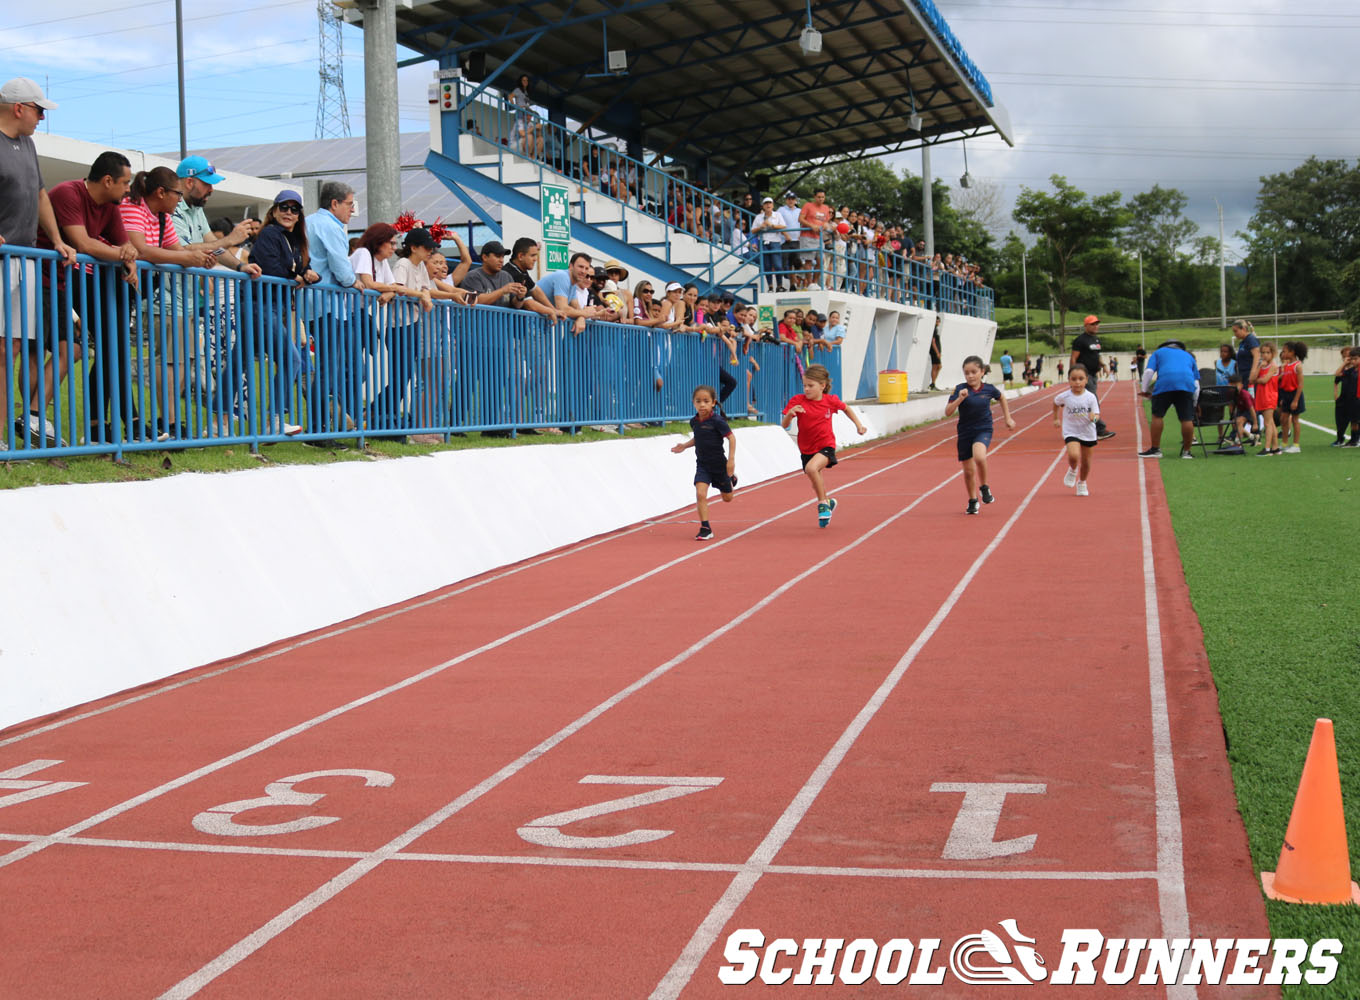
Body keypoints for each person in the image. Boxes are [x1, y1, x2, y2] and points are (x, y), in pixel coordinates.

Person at [37, 151, 141, 446]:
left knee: (100, 347)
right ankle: (33, 420)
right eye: (124, 183)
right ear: (107, 181)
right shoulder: (68, 193)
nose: (127, 190)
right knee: (30, 352)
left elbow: (124, 243)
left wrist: (129, 259)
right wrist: (125, 255)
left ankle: (108, 427)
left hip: (67, 279)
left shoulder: (110, 204)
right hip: (42, 279)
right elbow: (83, 243)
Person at [0, 77, 77, 451]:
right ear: (19, 108)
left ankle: (4, 441)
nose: (42, 118)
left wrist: (59, 240)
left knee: (11, 349)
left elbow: (40, 194)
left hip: (26, 259)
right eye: (39, 110)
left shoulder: (27, 145)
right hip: (3, 260)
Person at [119, 166, 217, 438]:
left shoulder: (161, 216)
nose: (180, 198)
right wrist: (191, 259)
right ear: (162, 192)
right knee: (166, 361)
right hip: (148, 296)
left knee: (181, 362)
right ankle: (163, 422)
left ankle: (164, 422)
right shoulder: (134, 207)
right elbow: (144, 250)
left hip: (162, 296)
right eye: (177, 193)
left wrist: (198, 258)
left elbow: (176, 249)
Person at [250, 189, 317, 436]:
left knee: (239, 362)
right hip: (262, 304)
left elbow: (301, 266)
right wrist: (295, 276)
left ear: (300, 215)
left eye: (294, 209)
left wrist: (310, 274)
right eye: (284, 208)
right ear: (274, 210)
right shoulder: (269, 233)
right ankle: (272, 421)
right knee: (292, 359)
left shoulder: (294, 240)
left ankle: (218, 419)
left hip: (276, 307)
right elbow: (271, 268)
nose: (289, 213)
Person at [782, 363, 866, 527]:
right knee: (815, 481)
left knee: (812, 469)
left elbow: (847, 409)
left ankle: (822, 505)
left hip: (825, 445)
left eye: (810, 386)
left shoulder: (830, 401)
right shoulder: (797, 400)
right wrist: (790, 414)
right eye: (804, 385)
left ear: (822, 386)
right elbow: (784, 425)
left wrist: (858, 425)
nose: (806, 389)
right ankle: (828, 501)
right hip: (806, 448)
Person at [945, 355, 1015, 515]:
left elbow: (1002, 398)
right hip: (964, 432)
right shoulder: (959, 389)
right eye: (966, 373)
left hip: (983, 429)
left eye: (973, 372)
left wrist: (1008, 418)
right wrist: (959, 399)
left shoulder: (989, 389)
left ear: (982, 372)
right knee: (968, 471)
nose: (970, 376)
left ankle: (984, 487)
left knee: (980, 456)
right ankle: (972, 500)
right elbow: (948, 412)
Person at [670, 384, 737, 541]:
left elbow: (731, 438)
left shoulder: (718, 421)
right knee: (700, 493)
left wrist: (731, 461)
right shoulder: (694, 422)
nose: (702, 405)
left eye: (706, 401)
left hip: (720, 465)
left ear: (713, 403)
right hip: (703, 465)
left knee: (727, 498)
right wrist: (684, 446)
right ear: (693, 402)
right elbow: (698, 438)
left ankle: (731, 479)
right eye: (698, 401)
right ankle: (705, 528)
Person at [1136, 340, 1200, 460]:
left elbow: (1149, 372)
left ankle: (1156, 450)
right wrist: (1195, 402)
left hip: (1164, 384)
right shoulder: (1187, 355)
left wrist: (1144, 389)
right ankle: (1187, 452)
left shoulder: (1158, 353)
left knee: (1157, 416)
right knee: (1186, 419)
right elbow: (1196, 382)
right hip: (1186, 386)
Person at [1052, 364, 1099, 496]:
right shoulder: (1064, 396)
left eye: (1080, 379)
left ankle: (1082, 483)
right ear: (1069, 380)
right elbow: (1055, 403)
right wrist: (1056, 418)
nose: (1077, 382)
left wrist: (1093, 418)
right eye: (1073, 379)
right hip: (1071, 431)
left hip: (1088, 431)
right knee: (1074, 455)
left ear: (1086, 380)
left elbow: (1097, 415)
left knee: (1086, 462)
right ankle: (1072, 470)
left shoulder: (1091, 397)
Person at [1069, 315, 1114, 439]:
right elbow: (1073, 357)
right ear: (1086, 326)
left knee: (1088, 403)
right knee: (1093, 401)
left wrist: (1104, 365)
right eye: (1093, 324)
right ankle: (1099, 429)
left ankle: (1084, 429)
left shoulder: (1096, 340)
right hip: (1085, 375)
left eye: (1097, 324)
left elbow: (1096, 356)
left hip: (1093, 375)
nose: (1096, 326)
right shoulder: (1080, 340)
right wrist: (1073, 375)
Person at [1276, 341, 1308, 453]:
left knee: (1295, 420)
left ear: (1292, 352)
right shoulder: (1285, 366)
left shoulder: (1297, 366)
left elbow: (1300, 385)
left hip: (1295, 395)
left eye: (1284, 351)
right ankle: (1284, 443)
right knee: (1283, 419)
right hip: (1286, 395)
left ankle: (1296, 445)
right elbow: (1281, 380)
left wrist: (1295, 400)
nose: (1283, 353)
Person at [1253, 341, 1280, 456]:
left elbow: (1264, 380)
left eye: (1267, 352)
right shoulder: (1263, 365)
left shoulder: (1273, 366)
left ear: (1273, 353)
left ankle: (1267, 448)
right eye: (1263, 352)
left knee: (1267, 423)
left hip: (1269, 396)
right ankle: (1275, 448)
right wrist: (1259, 367)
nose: (1265, 355)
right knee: (1271, 423)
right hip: (1262, 396)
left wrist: (1258, 380)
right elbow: (1253, 378)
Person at [1333, 347, 1360, 447]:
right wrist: (1344, 363)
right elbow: (1337, 374)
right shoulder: (1351, 370)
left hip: (1358, 399)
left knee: (1356, 421)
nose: (1353, 361)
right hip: (1352, 400)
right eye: (1351, 359)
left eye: (1355, 359)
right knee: (1354, 421)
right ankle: (1354, 441)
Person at [1232, 319, 1260, 395]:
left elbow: (1257, 355)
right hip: (1243, 376)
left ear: (1243, 329)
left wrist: (1253, 373)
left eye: (1236, 331)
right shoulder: (1243, 342)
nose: (1235, 334)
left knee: (1250, 399)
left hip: (1249, 375)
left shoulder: (1251, 339)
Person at [928, 318, 942, 391]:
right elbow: (933, 342)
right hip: (934, 351)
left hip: (936, 351)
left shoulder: (935, 329)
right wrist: (937, 352)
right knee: (937, 366)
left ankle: (933, 383)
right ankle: (933, 383)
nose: (939, 323)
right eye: (938, 321)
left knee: (938, 366)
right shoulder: (934, 329)